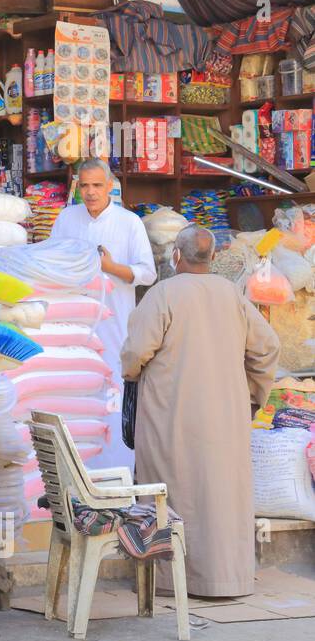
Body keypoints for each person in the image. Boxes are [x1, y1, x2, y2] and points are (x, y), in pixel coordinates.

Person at [120, 226, 279, 597]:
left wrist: (130, 373)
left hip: (169, 414)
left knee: (171, 493)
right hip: (226, 415)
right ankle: (228, 579)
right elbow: (267, 346)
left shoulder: (162, 294)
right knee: (222, 494)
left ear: (176, 256)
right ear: (212, 257)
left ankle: (169, 580)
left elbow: (135, 353)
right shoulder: (232, 294)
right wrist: (253, 395)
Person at [49, 159, 156, 470]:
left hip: (115, 329)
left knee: (113, 398)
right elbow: (52, 262)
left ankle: (116, 474)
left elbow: (147, 273)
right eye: (85, 186)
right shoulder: (67, 219)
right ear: (77, 187)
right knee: (75, 398)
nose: (91, 193)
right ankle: (75, 474)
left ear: (110, 186)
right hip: (73, 329)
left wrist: (111, 268)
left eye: (97, 185)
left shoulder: (128, 223)